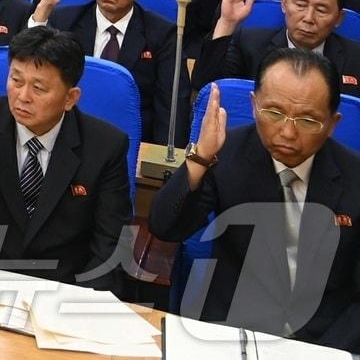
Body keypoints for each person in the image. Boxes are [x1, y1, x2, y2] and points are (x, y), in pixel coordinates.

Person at [150, 50, 360, 352]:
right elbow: (165, 227)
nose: (287, 132)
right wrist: (199, 160)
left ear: (332, 122)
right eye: (274, 114)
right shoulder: (226, 156)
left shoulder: (354, 178)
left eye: (308, 121)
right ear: (253, 105)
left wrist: (324, 353)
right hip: (233, 334)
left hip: (322, 342)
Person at [0, 27, 133, 291]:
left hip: (60, 286)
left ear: (70, 98)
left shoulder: (105, 146)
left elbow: (110, 248)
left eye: (39, 88)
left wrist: (76, 306)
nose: (23, 97)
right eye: (16, 81)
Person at [32, 0, 186, 146]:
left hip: (131, 141)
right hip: (65, 135)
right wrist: (43, 11)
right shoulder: (65, 21)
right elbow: (33, 70)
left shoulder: (162, 34)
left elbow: (171, 105)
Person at [195, 0, 360, 94]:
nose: (309, 18)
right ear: (284, 4)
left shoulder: (355, 58)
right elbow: (206, 87)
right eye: (301, 5)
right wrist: (226, 23)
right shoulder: (250, 43)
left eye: (321, 10)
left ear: (339, 18)